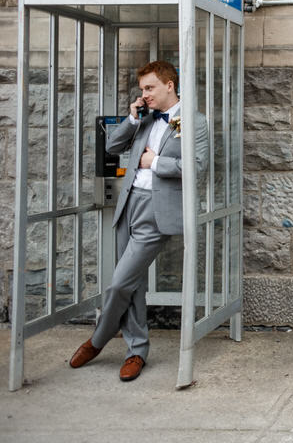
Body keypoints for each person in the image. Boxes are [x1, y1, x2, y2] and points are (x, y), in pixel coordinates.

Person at [69, 60, 207, 382]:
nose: (144, 95)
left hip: (156, 212)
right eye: (142, 89)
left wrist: (154, 161)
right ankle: (136, 351)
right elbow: (113, 146)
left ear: (169, 85)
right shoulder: (144, 117)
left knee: (119, 283)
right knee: (133, 284)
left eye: (149, 88)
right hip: (128, 205)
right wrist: (132, 117)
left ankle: (97, 340)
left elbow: (196, 167)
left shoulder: (193, 121)